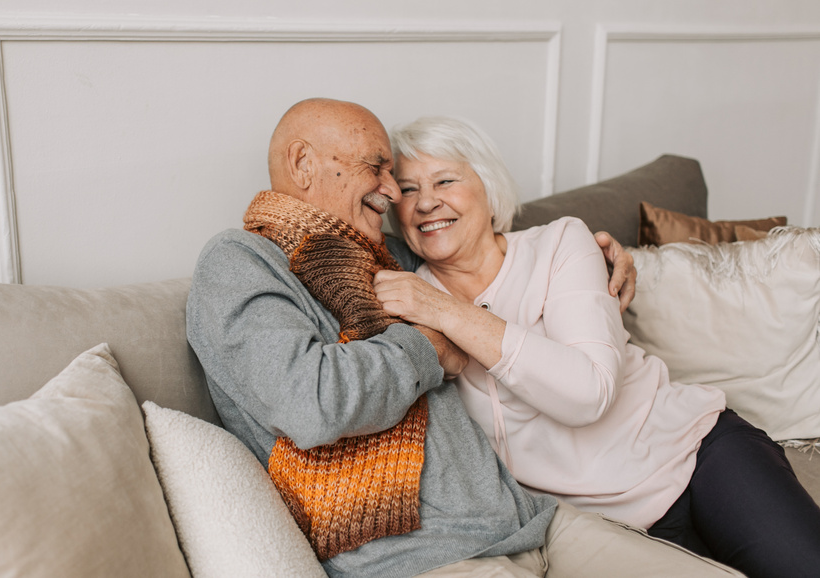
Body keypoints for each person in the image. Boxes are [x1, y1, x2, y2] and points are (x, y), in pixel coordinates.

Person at [186, 97, 744, 577]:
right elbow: (311, 404)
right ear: (302, 163)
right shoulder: (240, 263)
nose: (393, 192)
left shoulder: (385, 254)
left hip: (533, 520)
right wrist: (431, 346)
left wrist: (609, 256)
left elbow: (478, 240)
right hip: (431, 558)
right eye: (378, 169)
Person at [374, 114, 820, 578]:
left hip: (696, 455)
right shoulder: (406, 297)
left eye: (445, 180)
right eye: (407, 190)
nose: (426, 202)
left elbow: (588, 392)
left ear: (488, 190)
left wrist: (451, 314)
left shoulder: (560, 244)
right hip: (602, 531)